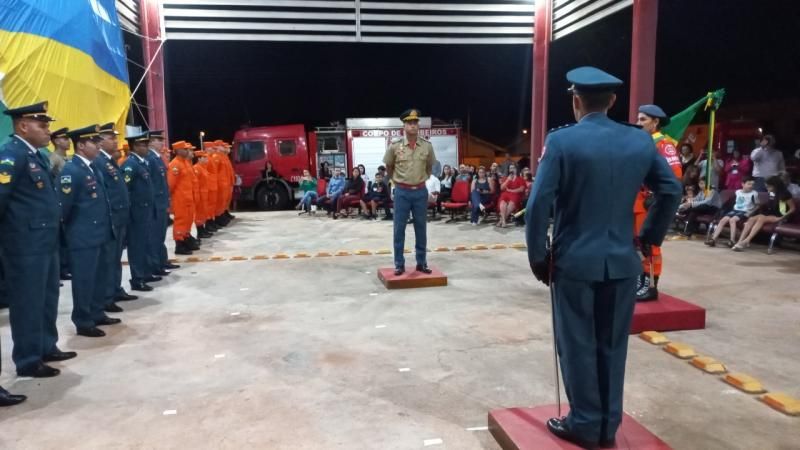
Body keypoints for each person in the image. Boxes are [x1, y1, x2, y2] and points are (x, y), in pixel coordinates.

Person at [525, 67, 681, 449]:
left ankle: (583, 423)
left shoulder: (562, 142)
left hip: (575, 262)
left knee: (577, 342)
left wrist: (538, 257)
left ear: (576, 101)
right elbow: (671, 191)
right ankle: (607, 425)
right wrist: (648, 238)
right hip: (623, 263)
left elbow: (537, 206)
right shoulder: (640, 142)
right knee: (612, 345)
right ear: (613, 101)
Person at [0, 101, 77, 378]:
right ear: (23, 126)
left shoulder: (35, 155)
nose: (48, 131)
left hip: (44, 240)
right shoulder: (11, 155)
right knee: (28, 302)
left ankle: (46, 346)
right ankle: (28, 359)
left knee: (47, 298)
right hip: (24, 244)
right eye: (42, 126)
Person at [60, 125, 120, 338]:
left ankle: (97, 312)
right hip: (82, 237)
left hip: (100, 233)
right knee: (84, 280)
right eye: (94, 142)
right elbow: (64, 208)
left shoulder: (92, 168)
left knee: (98, 277)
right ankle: (83, 320)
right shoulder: (71, 170)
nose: (98, 145)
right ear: (81, 145)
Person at [635, 104, 683, 301]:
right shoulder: (641, 143)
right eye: (638, 119)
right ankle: (640, 278)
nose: (638, 123)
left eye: (643, 120)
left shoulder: (664, 145)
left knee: (649, 244)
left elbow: (675, 176)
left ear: (656, 122)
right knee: (636, 244)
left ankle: (651, 285)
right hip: (635, 202)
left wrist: (656, 196)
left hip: (649, 202)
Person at [383, 108, 436, 276]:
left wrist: (420, 180)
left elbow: (429, 167)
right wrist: (396, 182)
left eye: (415, 122)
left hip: (420, 192)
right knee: (399, 229)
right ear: (404, 126)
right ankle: (399, 264)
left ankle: (421, 263)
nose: (413, 126)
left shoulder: (426, 146)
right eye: (410, 123)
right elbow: (389, 166)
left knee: (421, 229)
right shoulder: (395, 146)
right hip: (402, 192)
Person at [94, 122, 137, 310]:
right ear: (101, 141)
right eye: (111, 138)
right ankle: (107, 295)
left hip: (120, 217)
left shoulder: (109, 161)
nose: (115, 141)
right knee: (109, 258)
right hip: (111, 218)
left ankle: (115, 288)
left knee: (116, 257)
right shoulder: (99, 162)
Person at [122, 132, 160, 292]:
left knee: (145, 243)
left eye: (146, 144)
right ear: (134, 147)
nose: (146, 147)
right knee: (137, 247)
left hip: (146, 211)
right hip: (137, 213)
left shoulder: (142, 163)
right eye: (143, 145)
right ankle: (137, 278)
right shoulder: (130, 165)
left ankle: (145, 272)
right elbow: (126, 190)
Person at [733, 176, 796, 251]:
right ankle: (740, 241)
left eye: (769, 187)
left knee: (761, 218)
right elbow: (770, 204)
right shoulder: (772, 193)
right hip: (770, 214)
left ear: (775, 185)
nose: (767, 189)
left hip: (780, 216)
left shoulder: (785, 194)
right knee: (751, 219)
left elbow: (792, 209)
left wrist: (782, 218)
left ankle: (747, 240)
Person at [145, 130, 175, 276]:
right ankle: (155, 264)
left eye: (161, 140)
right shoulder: (150, 159)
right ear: (150, 142)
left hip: (162, 203)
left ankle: (162, 261)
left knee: (160, 236)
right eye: (157, 140)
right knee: (155, 237)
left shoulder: (157, 158)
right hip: (156, 204)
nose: (161, 142)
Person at [707, 176, 759, 247]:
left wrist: (750, 212)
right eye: (749, 184)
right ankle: (713, 239)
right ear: (743, 184)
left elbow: (757, 205)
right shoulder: (737, 192)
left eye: (752, 184)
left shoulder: (754, 193)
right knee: (723, 220)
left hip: (744, 211)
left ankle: (732, 240)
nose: (751, 186)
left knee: (732, 220)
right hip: (735, 210)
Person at [49, 127, 73, 281]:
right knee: (61, 238)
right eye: (64, 139)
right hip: (60, 202)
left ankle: (67, 266)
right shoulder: (54, 159)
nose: (68, 141)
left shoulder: (69, 159)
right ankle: (62, 269)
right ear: (57, 141)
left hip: (69, 201)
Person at [168, 141, 197, 255]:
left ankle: (185, 238)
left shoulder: (185, 163)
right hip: (180, 199)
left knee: (188, 220)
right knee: (180, 221)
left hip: (188, 198)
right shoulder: (175, 164)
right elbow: (170, 184)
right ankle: (179, 244)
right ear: (178, 150)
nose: (187, 151)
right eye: (184, 149)